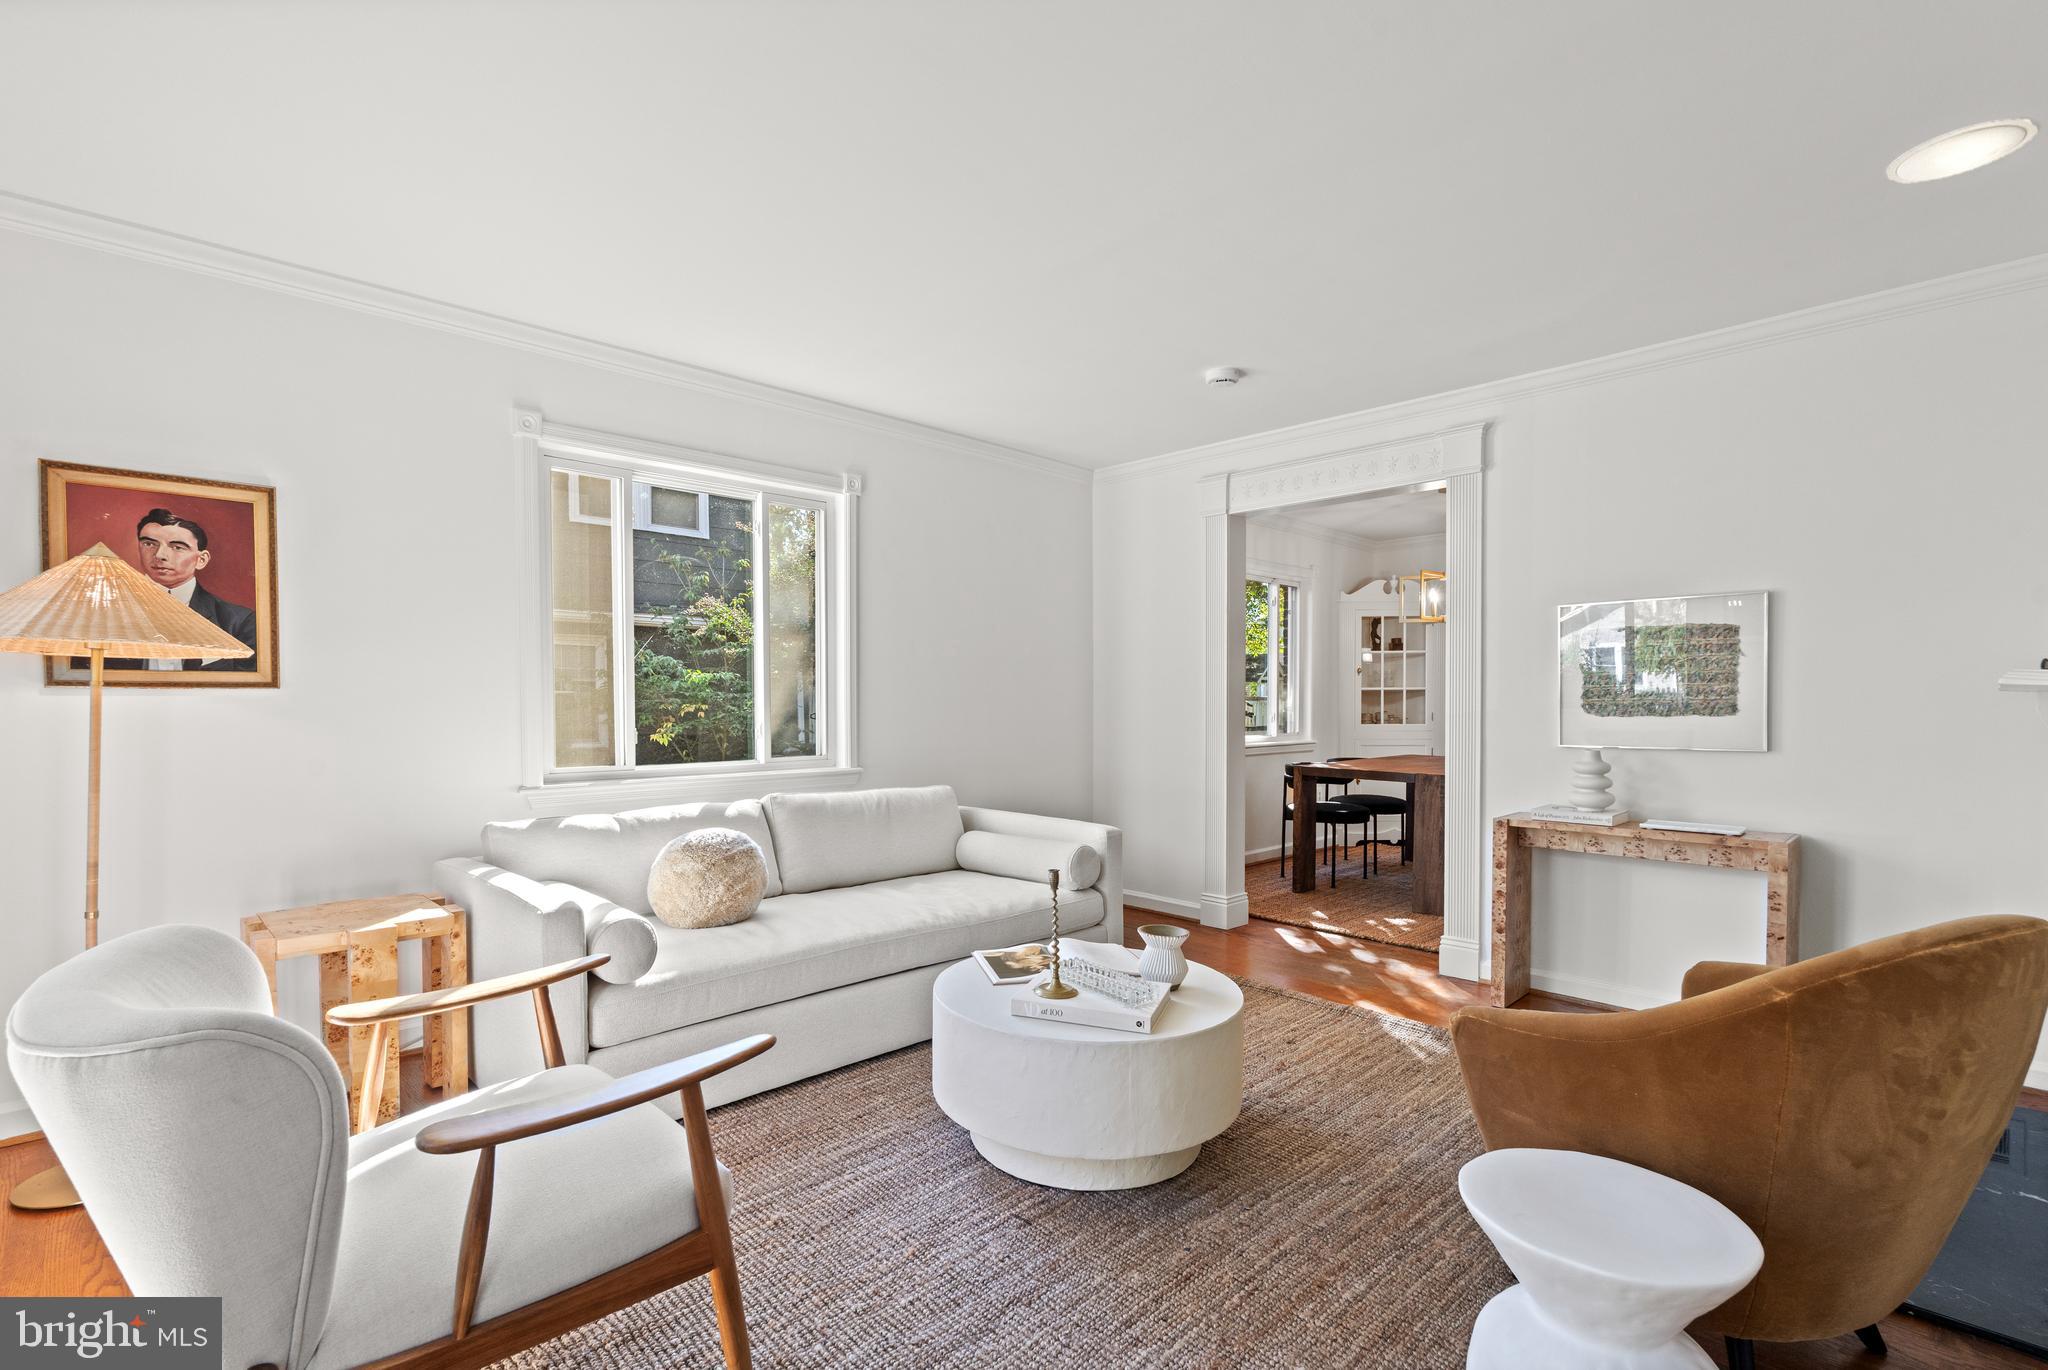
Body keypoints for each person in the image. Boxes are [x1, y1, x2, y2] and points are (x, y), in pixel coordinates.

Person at [101, 509, 259, 671]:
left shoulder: (239, 621)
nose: (160, 555)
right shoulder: (105, 614)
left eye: (177, 547)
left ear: (201, 560)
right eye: (149, 544)